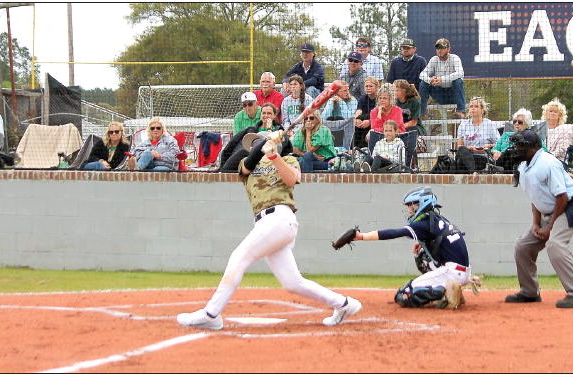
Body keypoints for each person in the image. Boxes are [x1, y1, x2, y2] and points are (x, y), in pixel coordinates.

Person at [177, 131, 362, 330]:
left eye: (260, 141)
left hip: (280, 218)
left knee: (239, 258)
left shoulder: (289, 159)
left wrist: (274, 155)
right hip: (266, 224)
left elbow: (291, 180)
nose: (256, 145)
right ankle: (344, 304)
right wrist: (265, 143)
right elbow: (247, 166)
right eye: (256, 143)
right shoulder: (247, 164)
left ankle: (211, 314)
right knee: (292, 282)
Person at [504, 130, 573, 308]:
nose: (517, 149)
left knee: (555, 244)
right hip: (550, 211)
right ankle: (529, 292)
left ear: (534, 147)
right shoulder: (524, 166)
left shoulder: (547, 163)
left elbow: (562, 197)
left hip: (569, 206)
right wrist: (536, 224)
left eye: (521, 145)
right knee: (523, 246)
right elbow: (535, 198)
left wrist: (549, 227)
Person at [353, 186, 474, 309]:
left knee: (403, 295)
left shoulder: (425, 223)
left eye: (411, 206)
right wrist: (422, 244)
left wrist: (362, 236)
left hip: (453, 272)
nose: (410, 210)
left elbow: (395, 233)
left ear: (421, 204)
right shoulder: (438, 219)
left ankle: (446, 290)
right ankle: (449, 286)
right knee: (421, 254)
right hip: (462, 271)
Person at [218, 103, 283, 172]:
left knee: (245, 152)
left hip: (268, 161)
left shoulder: (279, 131)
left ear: (274, 116)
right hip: (248, 160)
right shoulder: (251, 130)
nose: (266, 116)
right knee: (243, 151)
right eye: (263, 113)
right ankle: (223, 170)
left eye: (269, 113)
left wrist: (269, 129)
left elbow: (275, 144)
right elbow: (231, 144)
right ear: (260, 115)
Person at [418, 38, 466, 119]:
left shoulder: (455, 58)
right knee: (423, 83)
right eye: (438, 48)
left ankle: (460, 110)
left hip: (453, 95)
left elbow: (460, 73)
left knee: (458, 81)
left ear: (448, 49)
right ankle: (422, 113)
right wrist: (430, 80)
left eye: (442, 48)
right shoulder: (434, 59)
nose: (439, 50)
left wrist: (442, 79)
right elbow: (422, 74)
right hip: (440, 94)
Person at [455, 97, 500, 171]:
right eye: (471, 106)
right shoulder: (463, 125)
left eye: (476, 106)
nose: (473, 108)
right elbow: (459, 147)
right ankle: (472, 172)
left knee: (479, 160)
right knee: (462, 150)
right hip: (467, 157)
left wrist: (488, 147)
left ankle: (472, 172)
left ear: (482, 110)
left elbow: (498, 144)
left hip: (483, 158)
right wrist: (470, 148)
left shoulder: (489, 124)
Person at [542, 98, 573, 170]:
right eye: (550, 111)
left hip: (561, 162)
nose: (552, 113)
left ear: (560, 115)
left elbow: (564, 148)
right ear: (546, 113)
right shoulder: (542, 130)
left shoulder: (565, 129)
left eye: (555, 112)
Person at [394, 79, 424, 168]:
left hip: (414, 127)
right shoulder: (394, 102)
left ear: (404, 91)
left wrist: (401, 127)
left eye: (396, 90)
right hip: (398, 128)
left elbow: (414, 122)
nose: (394, 92)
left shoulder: (414, 101)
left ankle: (412, 164)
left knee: (410, 134)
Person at [367, 84, 404, 155]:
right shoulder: (374, 111)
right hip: (380, 137)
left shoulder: (397, 110)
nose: (382, 100)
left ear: (391, 99)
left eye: (385, 98)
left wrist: (378, 130)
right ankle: (371, 159)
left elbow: (394, 127)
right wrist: (379, 113)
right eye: (380, 98)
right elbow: (374, 127)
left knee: (372, 132)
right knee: (372, 133)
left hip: (396, 136)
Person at [352, 77, 380, 148]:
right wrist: (355, 120)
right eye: (366, 86)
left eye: (371, 86)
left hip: (376, 122)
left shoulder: (380, 98)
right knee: (358, 120)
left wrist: (370, 121)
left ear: (377, 87)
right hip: (363, 122)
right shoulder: (363, 98)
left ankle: (364, 148)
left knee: (366, 116)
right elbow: (358, 111)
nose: (368, 88)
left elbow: (380, 115)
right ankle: (354, 148)